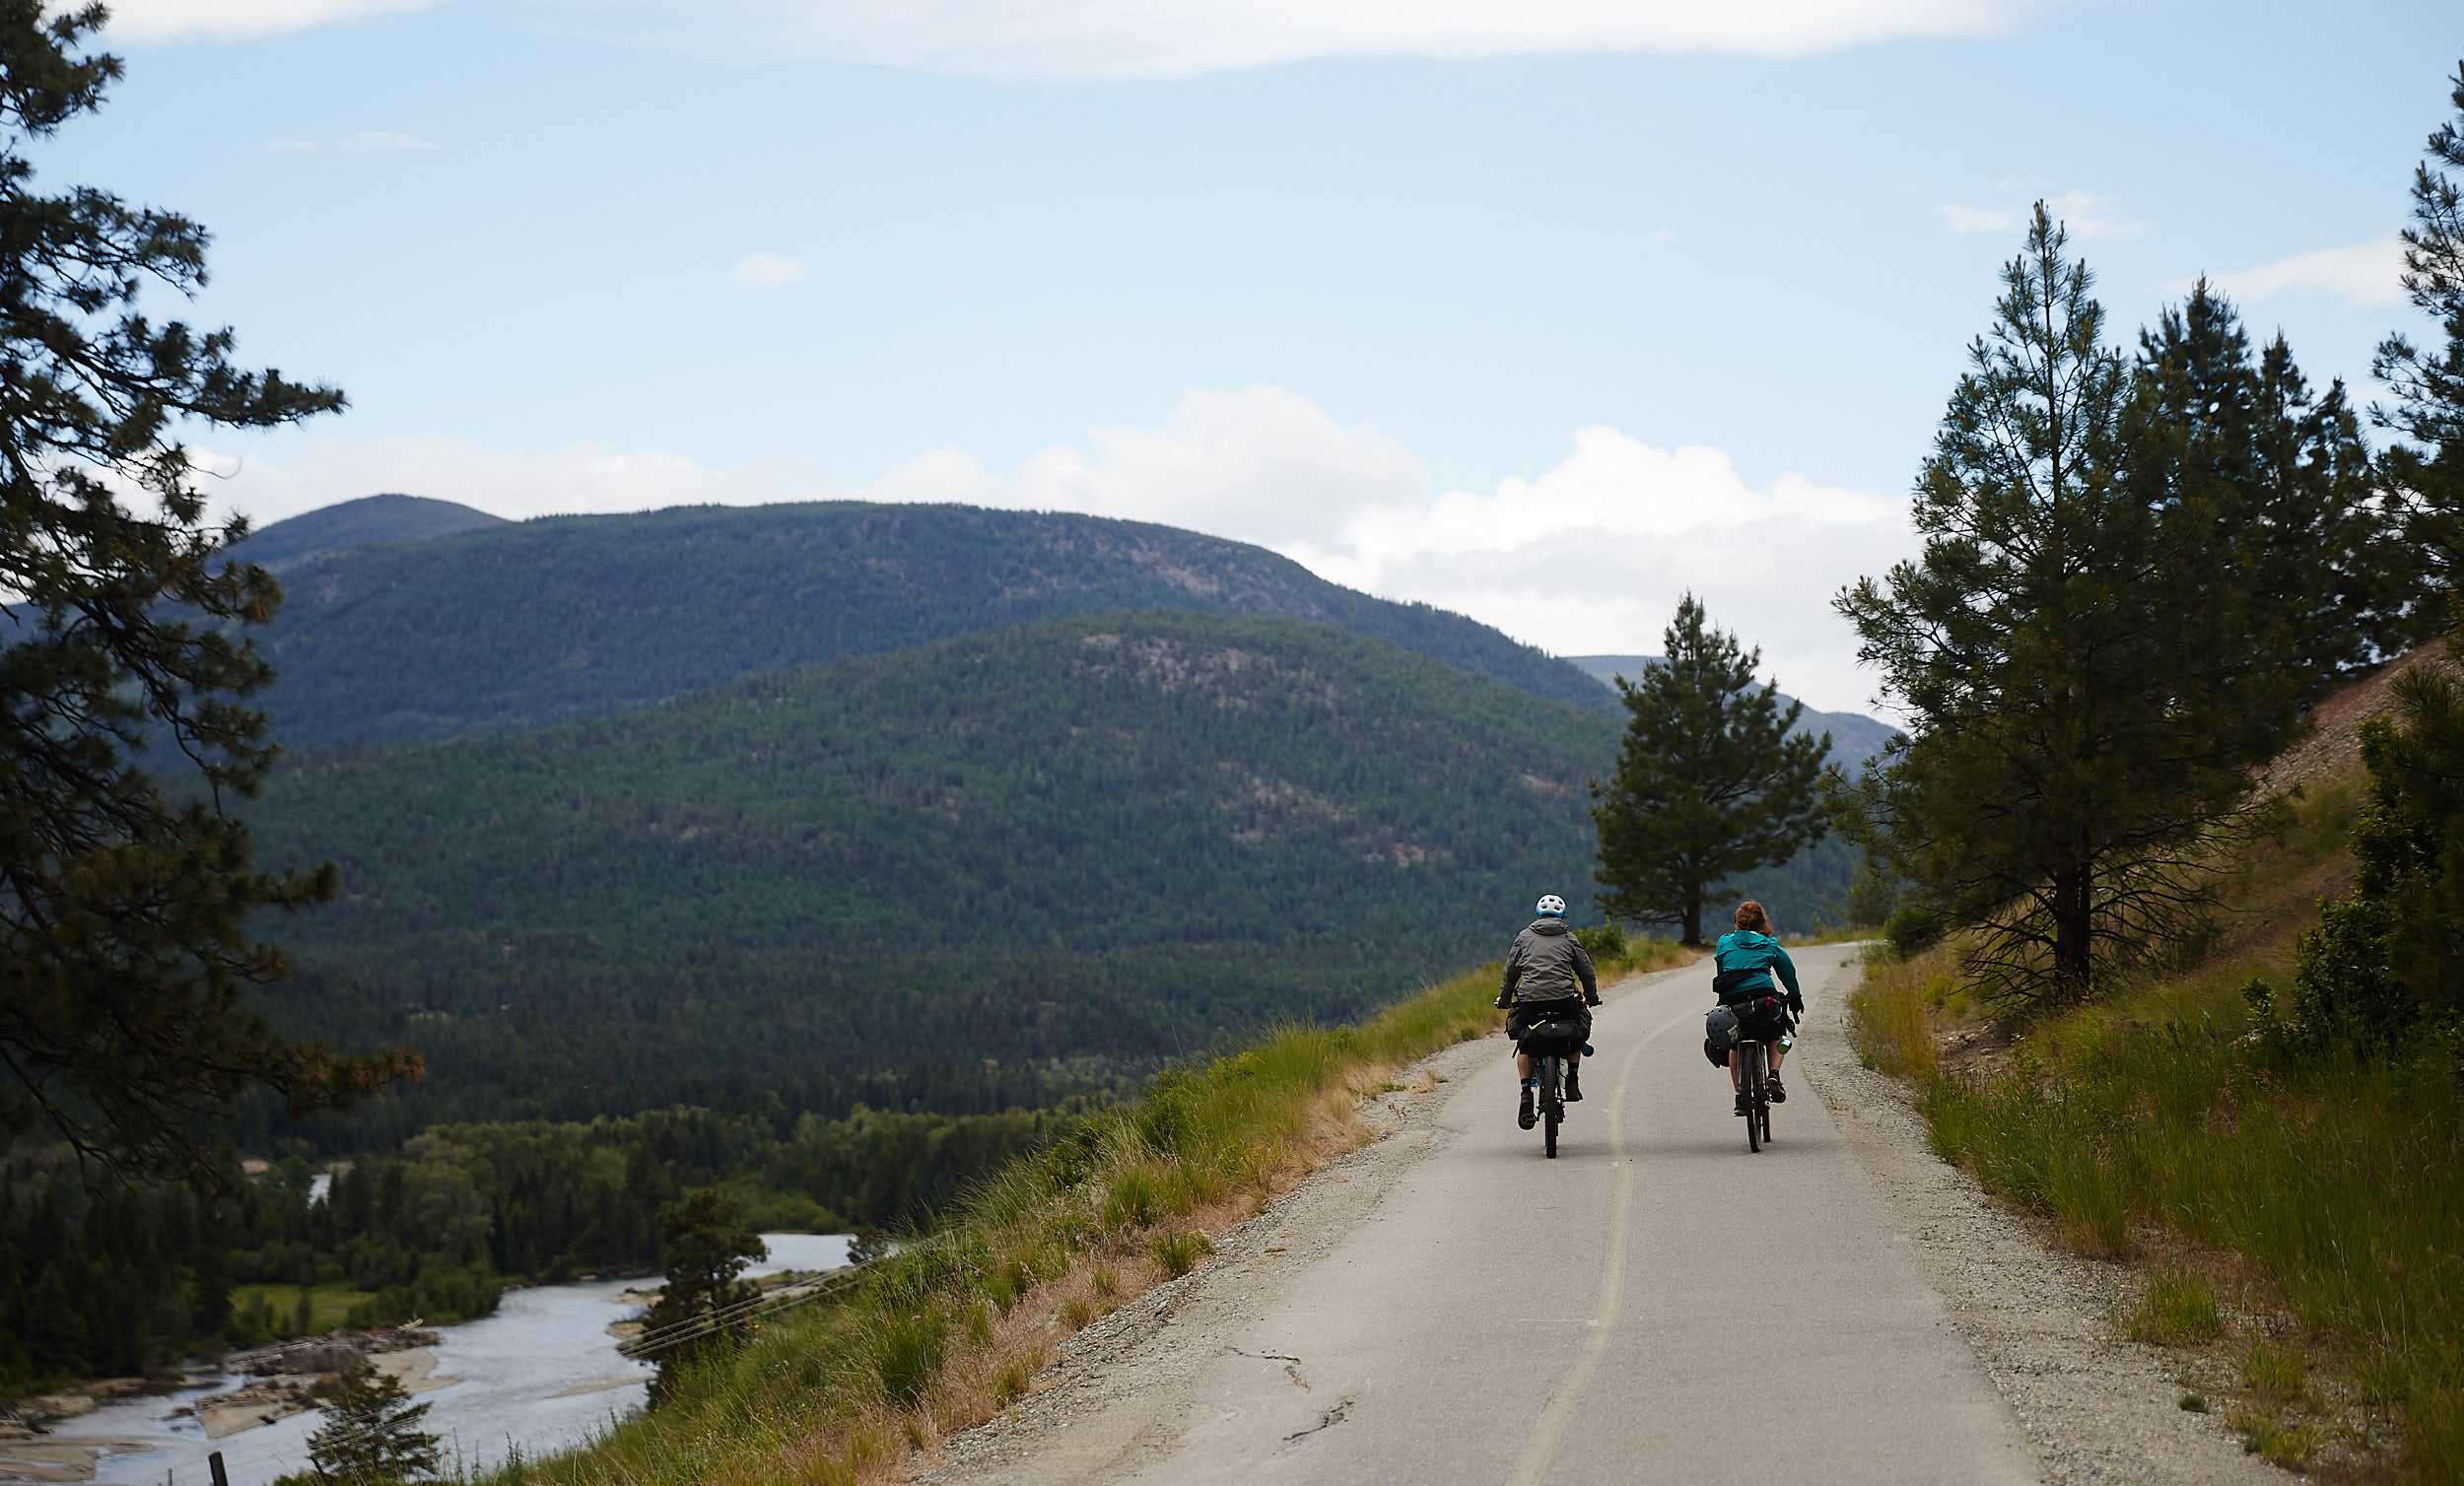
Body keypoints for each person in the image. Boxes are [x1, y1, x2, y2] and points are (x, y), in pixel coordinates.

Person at [1494, 895, 1602, 1129]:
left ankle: (1525, 1093)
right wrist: (1591, 998)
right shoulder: (1569, 938)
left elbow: (1510, 973)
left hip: (1531, 1001)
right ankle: (1572, 1079)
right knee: (1577, 1032)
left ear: (1538, 916)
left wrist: (1504, 999)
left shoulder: (1523, 937)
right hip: (1564, 999)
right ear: (1563, 916)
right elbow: (1586, 971)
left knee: (1524, 1042)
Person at [1714, 900, 1802, 1115]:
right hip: (1765, 1000)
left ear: (1737, 921)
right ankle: (1774, 1074)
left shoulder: (1724, 942)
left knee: (1734, 1045)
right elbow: (1787, 972)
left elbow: (1721, 973)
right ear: (1762, 922)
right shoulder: (1769, 944)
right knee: (1778, 1034)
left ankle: (1740, 1098)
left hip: (1733, 1002)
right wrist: (1795, 996)